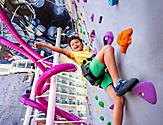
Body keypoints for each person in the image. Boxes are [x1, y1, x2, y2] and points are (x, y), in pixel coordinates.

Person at [35, 36, 138, 125]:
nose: (75, 45)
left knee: (119, 100)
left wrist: (91, 36)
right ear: (71, 49)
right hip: (91, 71)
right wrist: (43, 45)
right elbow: (59, 50)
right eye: (73, 45)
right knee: (107, 49)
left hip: (100, 77)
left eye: (77, 42)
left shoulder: (87, 51)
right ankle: (118, 83)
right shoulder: (73, 55)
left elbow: (91, 41)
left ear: (81, 44)